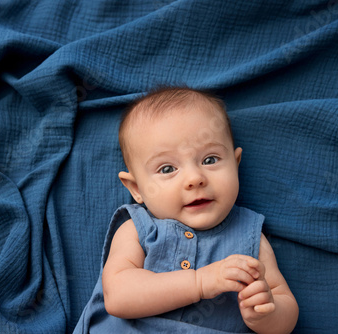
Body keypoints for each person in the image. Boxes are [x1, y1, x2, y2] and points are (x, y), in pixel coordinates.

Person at [73, 87, 298, 334]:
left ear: (235, 165)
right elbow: (117, 296)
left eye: (210, 160)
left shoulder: (250, 236)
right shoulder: (136, 230)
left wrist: (267, 312)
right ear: (136, 188)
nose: (194, 178)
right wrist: (200, 282)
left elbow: (284, 310)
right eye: (167, 169)